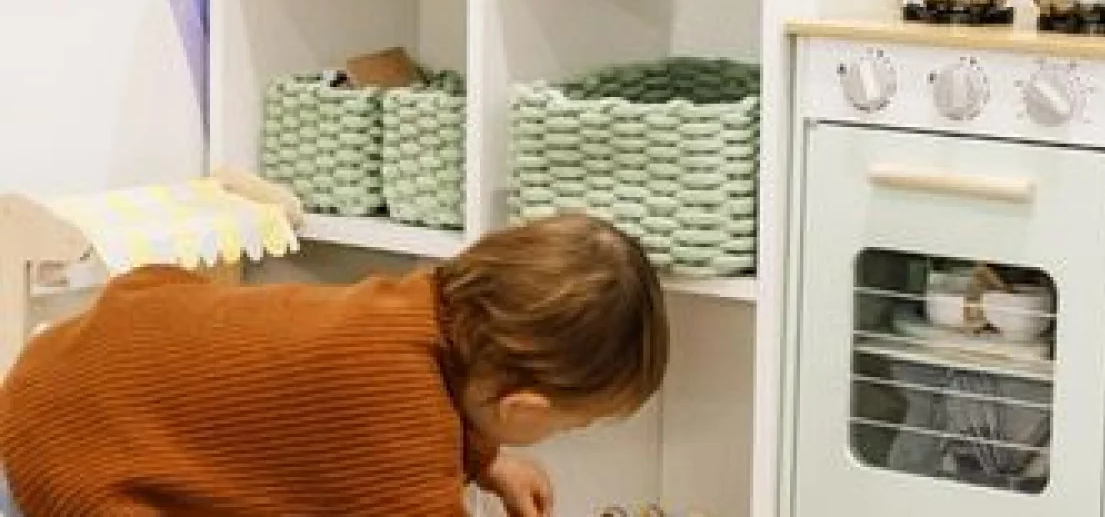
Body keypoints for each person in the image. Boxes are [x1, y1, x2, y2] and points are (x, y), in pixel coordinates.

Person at [0, 213, 669, 516]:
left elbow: (413, 406)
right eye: (571, 427)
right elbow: (401, 438)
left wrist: (489, 462)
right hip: (59, 453)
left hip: (78, 364)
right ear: (525, 407)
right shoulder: (403, 420)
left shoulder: (421, 306)